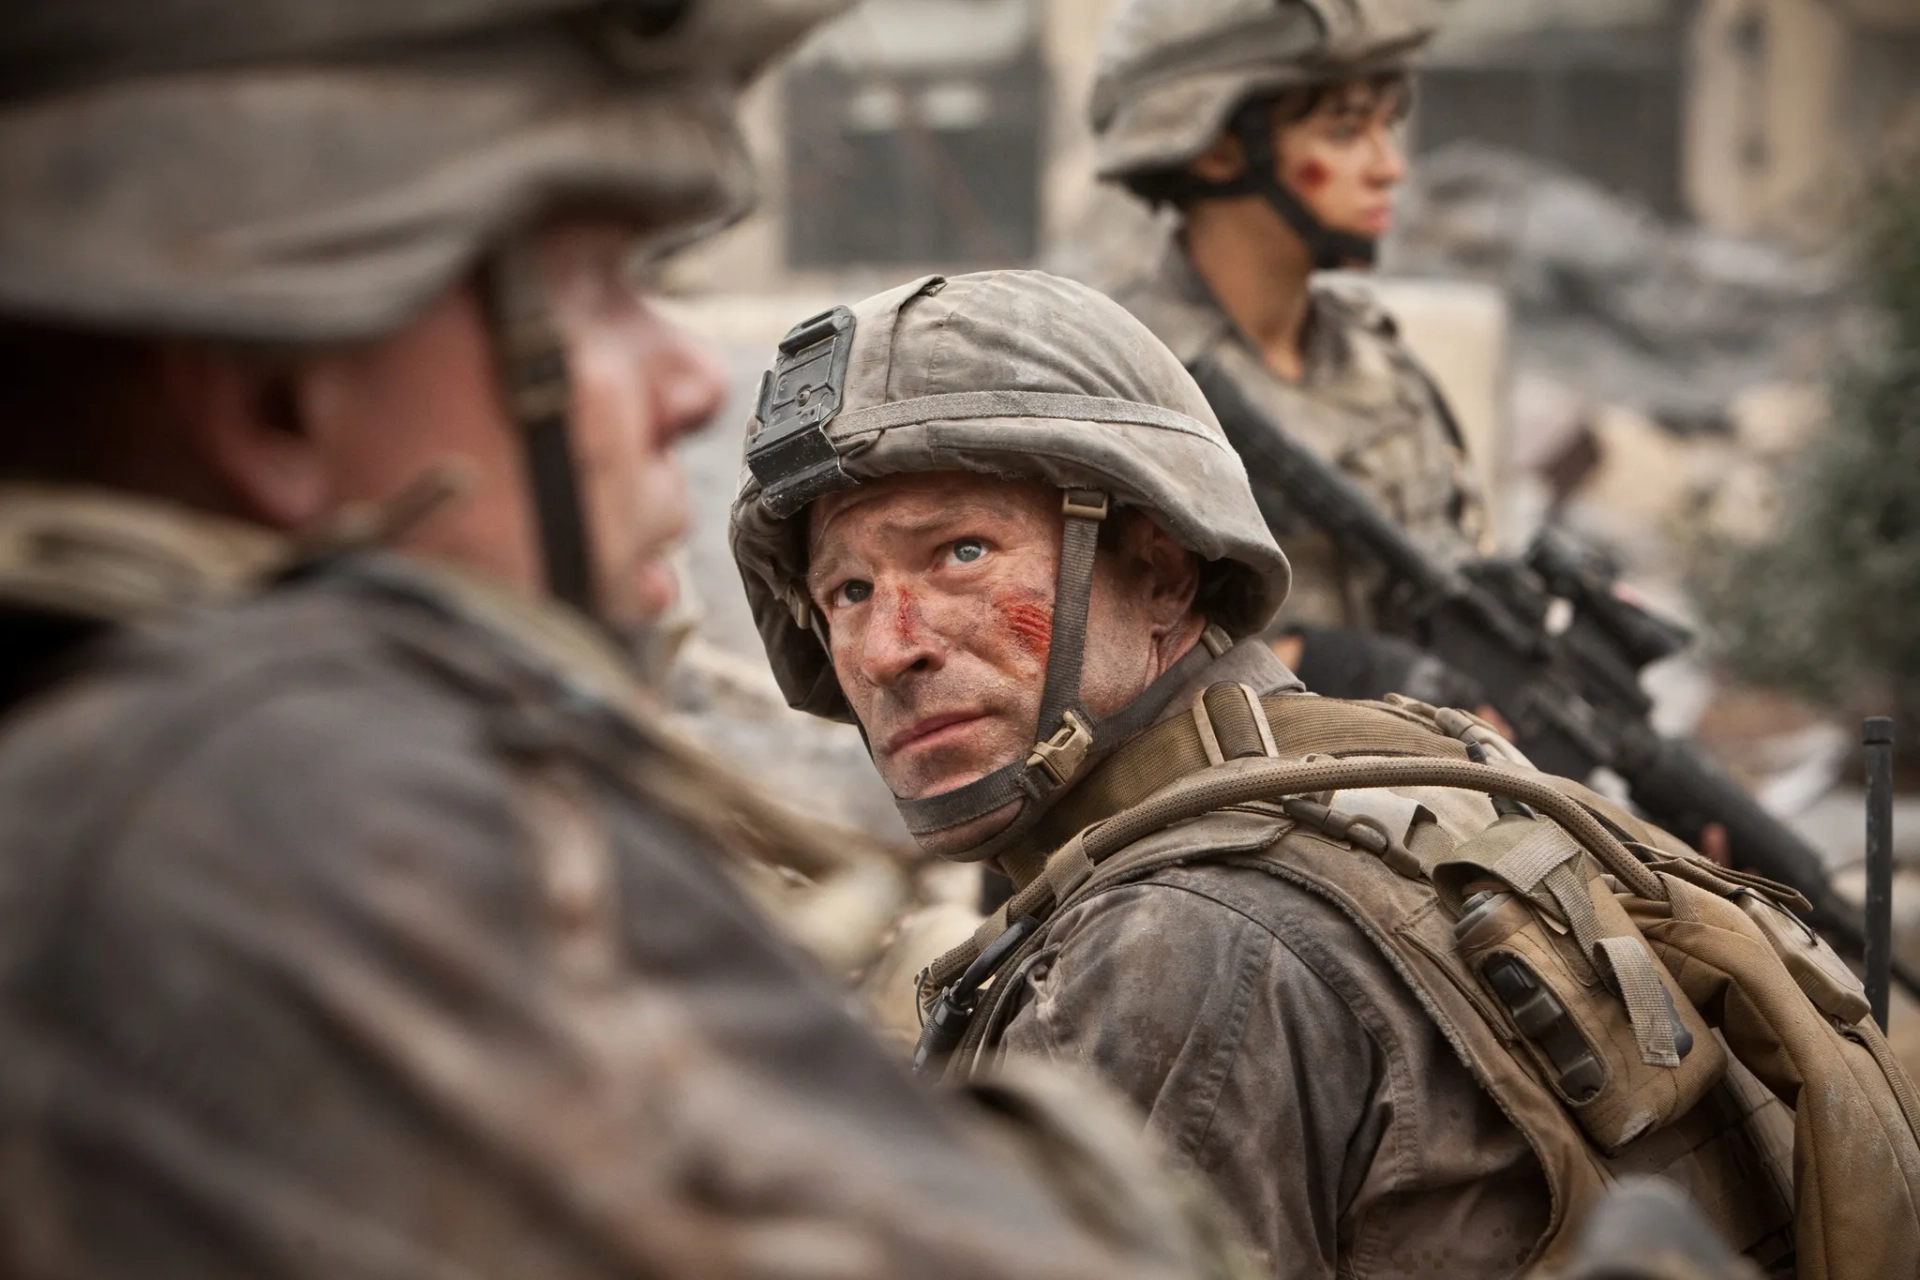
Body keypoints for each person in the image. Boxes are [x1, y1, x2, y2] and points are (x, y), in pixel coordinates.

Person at [0, 5, 1253, 1277]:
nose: (691, 382)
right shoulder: (299, 809)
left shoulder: (118, 769)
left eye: (958, 555)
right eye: (592, 287)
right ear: (275, 399)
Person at [731, 268, 1920, 1280]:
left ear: (1161, 569)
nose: (889, 647)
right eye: (847, 591)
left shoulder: (1173, 943)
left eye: (962, 551)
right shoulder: (1399, 771)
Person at [1074, 0, 1491, 711]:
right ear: (1219, 145)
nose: (1389, 167)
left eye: (1383, 127)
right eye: (1344, 130)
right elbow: (1086, 656)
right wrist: (1323, 661)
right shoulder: (1113, 377)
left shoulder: (1382, 368)